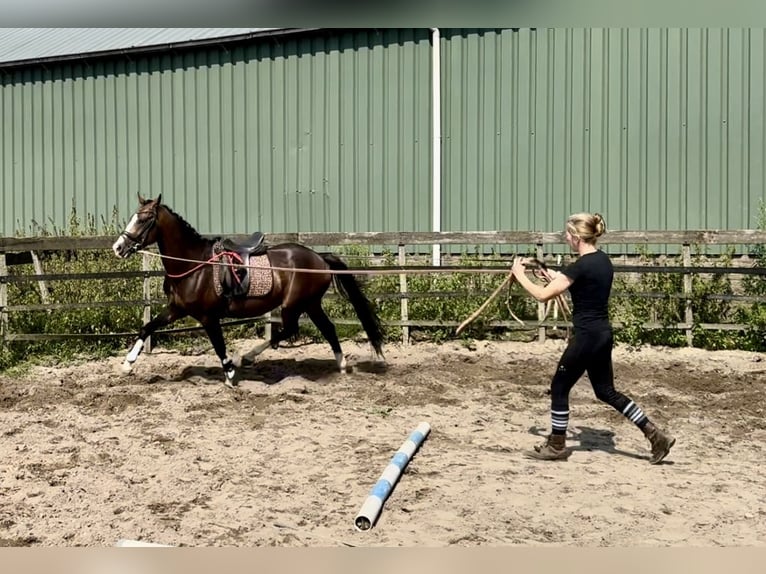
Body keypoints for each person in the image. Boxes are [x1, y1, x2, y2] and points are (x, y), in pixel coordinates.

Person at [510, 212, 676, 464]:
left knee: (559, 387)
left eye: (567, 233)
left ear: (576, 237)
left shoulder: (579, 266)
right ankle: (655, 435)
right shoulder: (602, 261)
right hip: (602, 334)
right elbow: (579, 282)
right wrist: (552, 275)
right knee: (606, 391)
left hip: (586, 337)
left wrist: (520, 274)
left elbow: (542, 296)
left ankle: (556, 445)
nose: (565, 237)